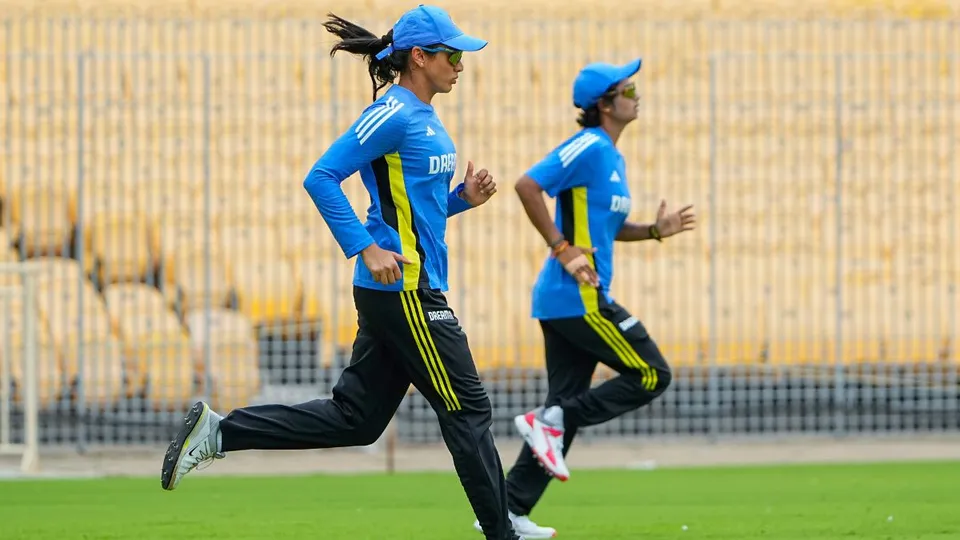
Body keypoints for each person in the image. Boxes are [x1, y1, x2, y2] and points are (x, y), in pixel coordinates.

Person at [160, 5, 525, 539]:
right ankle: (503, 535)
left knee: (356, 419)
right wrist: (364, 248)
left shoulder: (425, 115)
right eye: (452, 54)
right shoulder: (393, 112)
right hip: (405, 289)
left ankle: (217, 433)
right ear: (419, 58)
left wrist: (463, 199)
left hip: (403, 288)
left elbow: (411, 212)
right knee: (469, 410)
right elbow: (322, 177)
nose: (461, 64)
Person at [472, 59, 697, 539]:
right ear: (605, 104)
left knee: (566, 401)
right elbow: (527, 185)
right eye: (628, 88)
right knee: (652, 372)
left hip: (573, 300)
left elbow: (609, 229)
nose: (637, 94)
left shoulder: (612, 158)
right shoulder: (590, 145)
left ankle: (507, 512)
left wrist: (655, 231)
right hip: (576, 298)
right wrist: (562, 248)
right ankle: (550, 420)